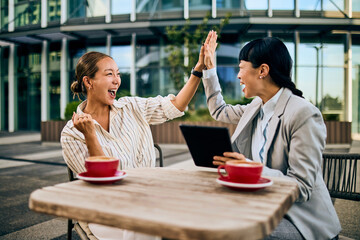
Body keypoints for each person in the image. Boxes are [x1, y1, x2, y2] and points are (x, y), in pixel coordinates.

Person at [60, 31, 217, 240]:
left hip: (148, 198)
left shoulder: (132, 106)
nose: (116, 80)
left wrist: (198, 70)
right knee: (146, 227)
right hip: (104, 210)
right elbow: (103, 182)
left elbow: (176, 104)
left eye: (118, 74)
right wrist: (90, 135)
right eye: (109, 74)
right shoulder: (71, 133)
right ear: (89, 82)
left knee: (196, 208)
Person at [201, 35, 341, 239]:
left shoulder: (303, 113)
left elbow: (301, 187)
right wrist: (210, 69)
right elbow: (219, 110)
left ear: (263, 71)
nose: (238, 75)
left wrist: (250, 168)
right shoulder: (256, 107)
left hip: (299, 221)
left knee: (235, 233)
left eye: (241, 68)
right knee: (209, 216)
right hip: (263, 208)